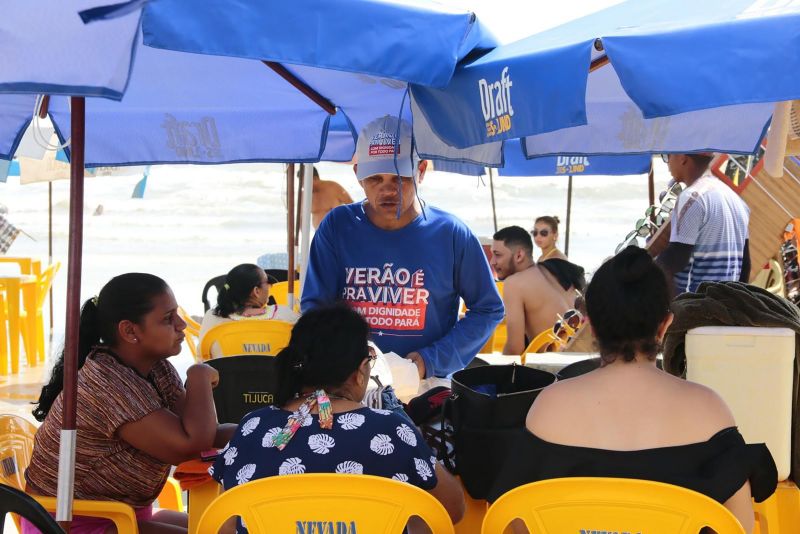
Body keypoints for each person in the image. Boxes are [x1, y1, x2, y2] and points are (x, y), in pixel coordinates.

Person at [489, 247, 776, 533]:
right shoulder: (710, 410)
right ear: (665, 326)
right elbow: (740, 528)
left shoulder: (548, 408)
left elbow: (511, 523)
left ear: (595, 329)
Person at [211, 305, 465, 533]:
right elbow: (452, 510)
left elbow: (224, 523)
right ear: (357, 372)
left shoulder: (252, 428)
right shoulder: (393, 430)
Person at [25, 273, 236, 534]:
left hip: (120, 514)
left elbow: (201, 430)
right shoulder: (108, 384)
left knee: (222, 527)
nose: (182, 324)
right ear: (129, 331)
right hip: (68, 522)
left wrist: (264, 431)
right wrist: (199, 376)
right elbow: (190, 446)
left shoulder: (157, 369)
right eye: (168, 319)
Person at [301, 115, 503, 381]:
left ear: (420, 171)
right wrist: (343, 359)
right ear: (358, 175)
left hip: (425, 383)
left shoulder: (451, 233)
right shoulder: (337, 227)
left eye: (400, 178)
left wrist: (430, 360)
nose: (387, 190)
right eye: (375, 179)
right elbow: (315, 308)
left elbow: (488, 309)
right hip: (352, 381)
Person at [657, 153, 751, 294]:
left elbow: (677, 257)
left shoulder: (692, 198)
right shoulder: (736, 200)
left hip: (696, 305)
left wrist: (645, 269)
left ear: (683, 157)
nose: (667, 162)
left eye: (667, 156)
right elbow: (745, 265)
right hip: (726, 303)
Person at [490, 226, 572, 355]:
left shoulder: (514, 283)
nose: (492, 262)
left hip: (550, 368)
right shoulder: (554, 272)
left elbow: (514, 349)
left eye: (497, 255)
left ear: (519, 255)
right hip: (578, 360)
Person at [199, 264, 299, 358]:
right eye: (267, 283)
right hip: (275, 376)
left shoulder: (211, 318)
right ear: (256, 291)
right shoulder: (285, 316)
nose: (270, 287)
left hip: (226, 376)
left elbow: (201, 358)